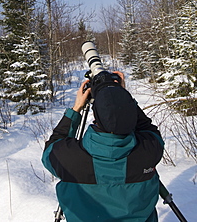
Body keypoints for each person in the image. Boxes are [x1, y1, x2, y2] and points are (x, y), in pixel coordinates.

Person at [42, 72, 164, 222]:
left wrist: (76, 109)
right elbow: (148, 128)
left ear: (95, 115)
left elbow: (52, 147)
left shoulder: (68, 158)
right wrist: (122, 98)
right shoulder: (150, 150)